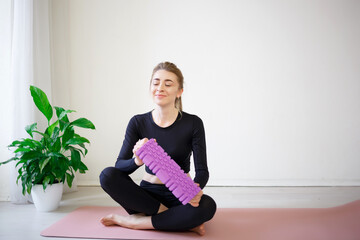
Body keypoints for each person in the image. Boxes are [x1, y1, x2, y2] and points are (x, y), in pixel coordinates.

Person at [99, 62, 217, 236]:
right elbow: (119, 166)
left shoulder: (193, 123)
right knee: (107, 175)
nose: (160, 88)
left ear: (179, 92)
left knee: (208, 206)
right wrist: (137, 161)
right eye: (155, 83)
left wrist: (195, 191)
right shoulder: (137, 122)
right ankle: (178, 221)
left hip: (180, 196)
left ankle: (134, 222)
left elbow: (202, 171)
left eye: (168, 84)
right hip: (147, 197)